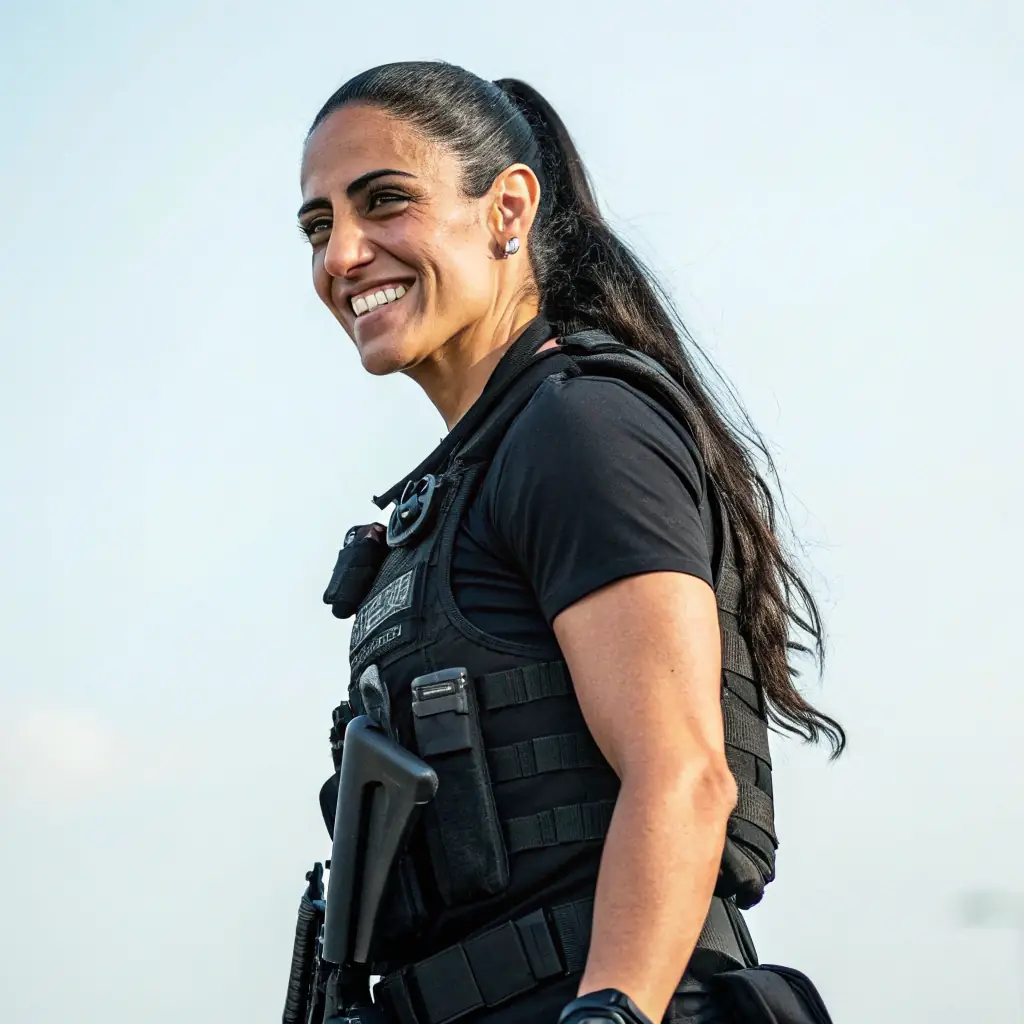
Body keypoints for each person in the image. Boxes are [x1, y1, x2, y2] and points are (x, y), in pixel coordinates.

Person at [299, 61, 844, 1024]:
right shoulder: (458, 486)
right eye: (317, 226)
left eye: (385, 201)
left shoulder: (577, 428)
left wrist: (611, 1012)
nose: (343, 254)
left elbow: (682, 775)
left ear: (507, 209)